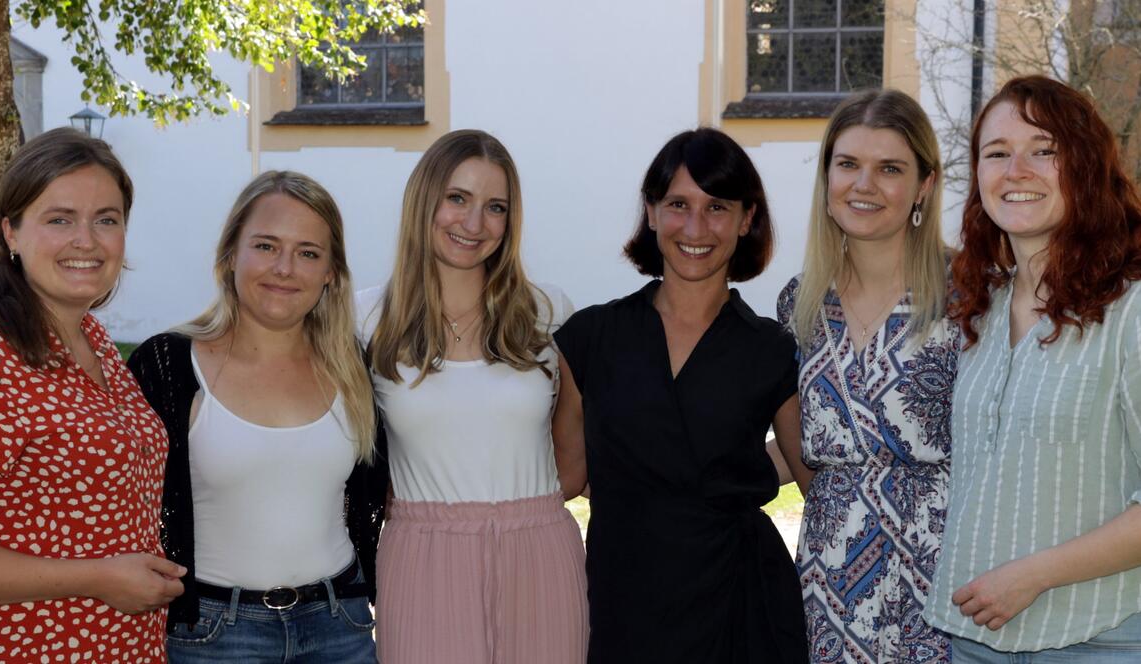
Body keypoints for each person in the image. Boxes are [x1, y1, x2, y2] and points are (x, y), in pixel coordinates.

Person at [553, 127, 807, 663]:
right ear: (650, 212)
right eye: (677, 204)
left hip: (740, 606)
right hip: (623, 603)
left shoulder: (772, 348)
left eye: (717, 206)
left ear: (747, 218)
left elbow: (813, 471)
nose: (695, 227)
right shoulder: (589, 339)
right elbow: (563, 476)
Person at [923, 76, 1141, 661]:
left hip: (1099, 636)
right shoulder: (981, 306)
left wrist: (1035, 574)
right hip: (972, 638)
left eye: (1044, 150)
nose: (1015, 169)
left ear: (1087, 167)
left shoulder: (1132, 308)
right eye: (997, 153)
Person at [127, 171, 383, 663]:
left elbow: (380, 494)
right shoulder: (170, 365)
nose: (284, 268)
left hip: (340, 627)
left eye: (308, 253)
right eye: (265, 246)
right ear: (229, 256)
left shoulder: (354, 367)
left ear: (331, 271)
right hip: (214, 635)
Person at [358, 129, 587, 664]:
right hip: (422, 554)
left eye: (495, 207)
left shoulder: (548, 313)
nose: (474, 223)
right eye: (457, 198)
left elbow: (573, 462)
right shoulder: (366, 319)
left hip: (540, 552)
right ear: (425, 200)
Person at [0, 127, 184, 662]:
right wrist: (96, 578)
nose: (87, 240)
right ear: (11, 232)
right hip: (22, 648)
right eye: (59, 219)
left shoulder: (95, 342)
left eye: (106, 220)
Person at [776, 89, 958, 663]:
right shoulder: (799, 304)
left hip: (946, 574)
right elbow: (802, 445)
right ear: (827, 178)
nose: (864, 184)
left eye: (890, 169)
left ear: (924, 186)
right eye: (848, 164)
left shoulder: (975, 296)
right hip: (831, 579)